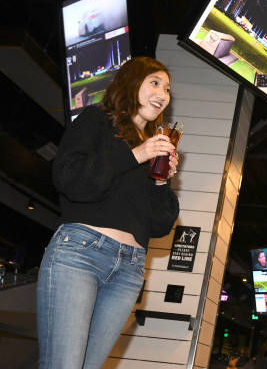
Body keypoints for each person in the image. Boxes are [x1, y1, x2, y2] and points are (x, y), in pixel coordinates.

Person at [37, 57, 180, 368]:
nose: (162, 94)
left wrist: (159, 181)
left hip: (130, 269)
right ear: (130, 83)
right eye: (154, 83)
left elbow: (159, 225)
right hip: (81, 252)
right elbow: (70, 179)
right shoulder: (96, 120)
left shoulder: (153, 148)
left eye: (167, 89)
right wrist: (137, 154)